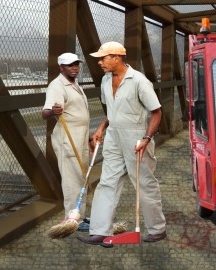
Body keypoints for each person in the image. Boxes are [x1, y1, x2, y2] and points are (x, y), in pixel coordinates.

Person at [77, 41, 167, 245]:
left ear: (116, 57)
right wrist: (101, 128)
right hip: (113, 137)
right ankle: (100, 231)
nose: (100, 62)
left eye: (103, 58)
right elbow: (112, 111)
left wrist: (146, 138)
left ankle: (157, 229)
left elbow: (156, 112)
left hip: (137, 138)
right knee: (107, 181)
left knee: (144, 184)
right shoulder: (105, 81)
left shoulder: (139, 81)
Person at [42, 52, 91, 232]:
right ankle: (73, 219)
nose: (75, 67)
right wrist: (53, 111)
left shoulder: (74, 83)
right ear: (61, 67)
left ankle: (81, 215)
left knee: (81, 176)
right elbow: (45, 112)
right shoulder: (57, 86)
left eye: (77, 64)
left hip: (81, 136)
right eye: (70, 65)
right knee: (72, 180)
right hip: (68, 138)